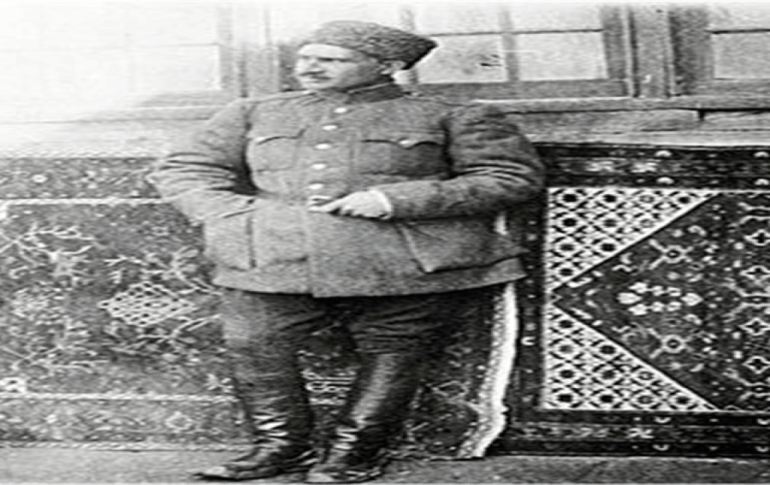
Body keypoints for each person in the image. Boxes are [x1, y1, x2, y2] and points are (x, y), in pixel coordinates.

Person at [149, 20, 544, 483]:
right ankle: (279, 448)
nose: (310, 68)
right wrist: (233, 216)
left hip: (402, 259)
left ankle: (353, 454)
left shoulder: (454, 115)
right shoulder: (253, 111)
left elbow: (510, 178)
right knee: (254, 344)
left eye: (331, 59)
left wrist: (393, 200)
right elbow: (185, 169)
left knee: (392, 351)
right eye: (305, 58)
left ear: (388, 66)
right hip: (274, 253)